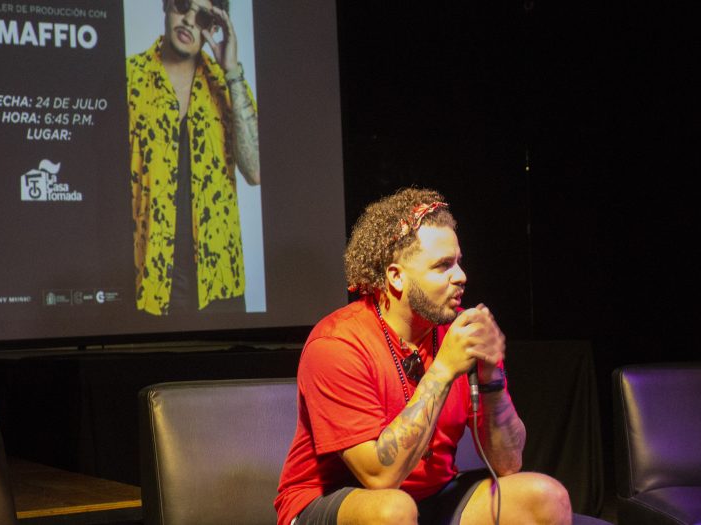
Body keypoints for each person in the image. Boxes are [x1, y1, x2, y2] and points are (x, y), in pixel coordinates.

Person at [275, 188, 572, 524]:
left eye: (458, 262)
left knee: (547, 497)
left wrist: (492, 379)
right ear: (396, 276)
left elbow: (509, 463)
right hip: (334, 500)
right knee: (393, 511)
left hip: (432, 495)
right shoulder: (337, 344)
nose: (461, 276)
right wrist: (443, 370)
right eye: (443, 265)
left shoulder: (461, 332)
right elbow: (379, 476)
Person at [127, 0, 260, 315]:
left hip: (219, 284)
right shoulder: (130, 77)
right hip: (149, 284)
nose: (188, 20)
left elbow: (255, 171)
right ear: (165, 5)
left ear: (213, 28)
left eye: (201, 16)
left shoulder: (227, 84)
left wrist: (232, 71)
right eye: (182, 5)